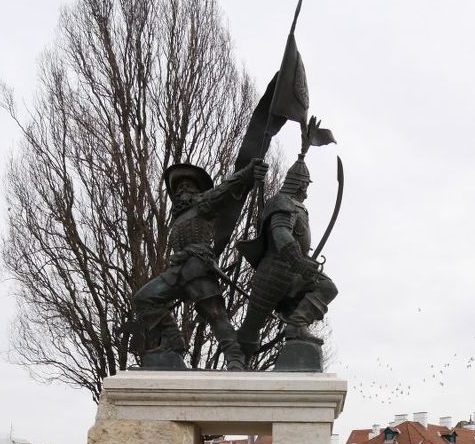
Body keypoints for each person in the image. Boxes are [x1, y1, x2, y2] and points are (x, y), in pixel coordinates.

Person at [131, 158, 266, 371]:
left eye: (188, 186)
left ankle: (235, 356)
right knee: (144, 298)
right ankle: (173, 342)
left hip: (198, 265)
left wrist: (249, 171)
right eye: (178, 188)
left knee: (214, 313)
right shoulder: (178, 219)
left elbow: (227, 188)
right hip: (177, 269)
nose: (182, 190)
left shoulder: (204, 204)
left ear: (197, 190)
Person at [235, 149, 339, 359]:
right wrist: (299, 262)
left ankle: (297, 325)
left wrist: (303, 263)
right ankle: (236, 360)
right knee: (250, 331)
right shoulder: (282, 202)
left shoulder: (298, 207)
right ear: (301, 184)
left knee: (327, 287)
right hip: (275, 272)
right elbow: (280, 233)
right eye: (306, 186)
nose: (306, 192)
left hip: (296, 272)